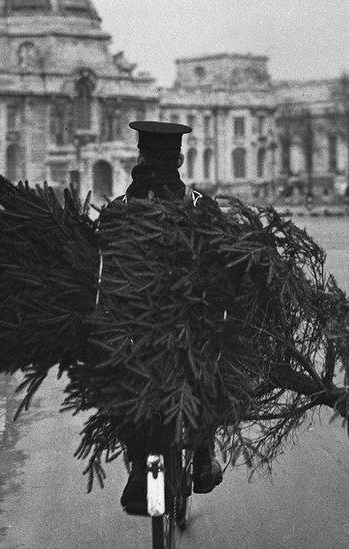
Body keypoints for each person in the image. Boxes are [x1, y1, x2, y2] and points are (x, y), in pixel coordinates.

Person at [111, 121, 224, 516]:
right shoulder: (202, 208)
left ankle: (141, 469)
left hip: (134, 335)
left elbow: (102, 276)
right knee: (212, 372)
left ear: (138, 161)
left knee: (118, 384)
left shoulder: (117, 212)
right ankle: (204, 457)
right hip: (190, 329)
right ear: (179, 160)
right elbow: (222, 271)